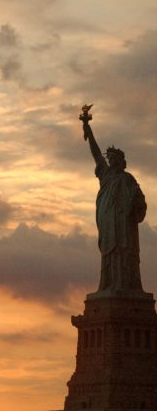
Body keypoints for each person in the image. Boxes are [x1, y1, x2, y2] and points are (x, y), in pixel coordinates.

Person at [80, 107, 147, 295]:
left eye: (113, 158)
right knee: (110, 253)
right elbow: (95, 152)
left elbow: (139, 201)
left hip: (124, 223)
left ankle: (126, 286)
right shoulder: (106, 174)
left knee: (124, 252)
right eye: (109, 159)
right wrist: (87, 128)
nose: (110, 161)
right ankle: (109, 284)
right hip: (109, 221)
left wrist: (136, 201)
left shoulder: (128, 179)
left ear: (121, 161)